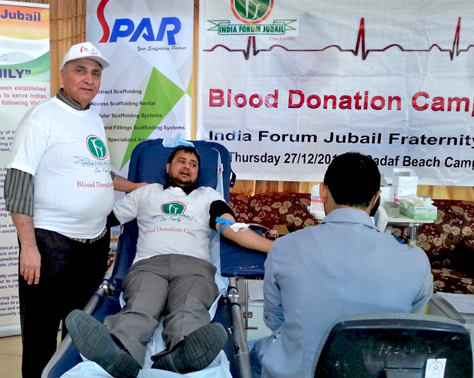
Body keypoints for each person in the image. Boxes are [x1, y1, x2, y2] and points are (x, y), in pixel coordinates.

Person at [66, 145, 274, 378]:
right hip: (148, 266)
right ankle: (120, 353)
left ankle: (182, 353)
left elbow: (231, 228)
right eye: (181, 161)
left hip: (194, 268)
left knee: (189, 309)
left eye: (193, 164)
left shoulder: (208, 196)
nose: (187, 166)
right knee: (140, 307)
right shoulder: (146, 193)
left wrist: (276, 248)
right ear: (168, 167)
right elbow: (105, 219)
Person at [4, 42, 143, 378]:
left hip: (94, 245)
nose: (89, 79)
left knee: (79, 331)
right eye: (80, 70)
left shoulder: (92, 117)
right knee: (40, 333)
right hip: (51, 245)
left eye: (95, 73)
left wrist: (138, 188)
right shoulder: (41, 118)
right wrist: (28, 247)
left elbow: (100, 172)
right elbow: (17, 182)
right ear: (63, 75)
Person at [252, 152, 433, 378]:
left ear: (322, 191)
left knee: (255, 350)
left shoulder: (283, 248)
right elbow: (408, 329)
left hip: (298, 372)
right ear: (376, 198)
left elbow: (274, 319)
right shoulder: (415, 261)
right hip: (374, 373)